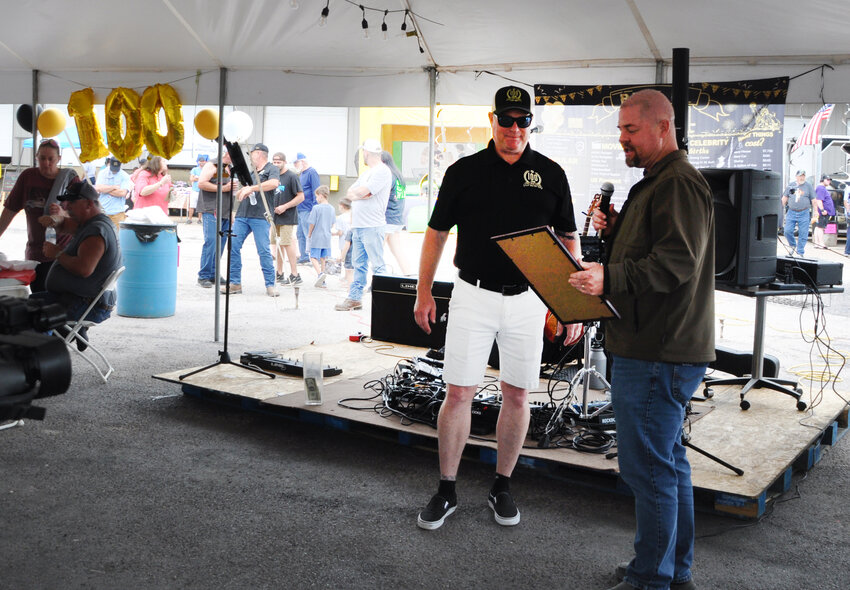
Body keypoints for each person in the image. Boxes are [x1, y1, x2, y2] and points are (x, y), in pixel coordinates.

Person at [412, 86, 582, 530]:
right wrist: (423, 291)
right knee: (459, 392)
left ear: (530, 123)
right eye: (506, 120)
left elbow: (568, 240)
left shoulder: (550, 173)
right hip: (472, 293)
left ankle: (501, 484)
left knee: (519, 393)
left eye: (522, 121)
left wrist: (572, 305)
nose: (513, 129)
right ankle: (447, 489)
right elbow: (435, 234)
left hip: (528, 299)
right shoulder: (464, 171)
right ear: (492, 120)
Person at [569, 89, 714, 590]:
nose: (622, 139)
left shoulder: (677, 184)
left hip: (657, 351)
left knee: (649, 471)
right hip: (653, 348)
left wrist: (608, 277)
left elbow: (675, 263)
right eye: (620, 131)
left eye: (631, 130)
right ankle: (672, 573)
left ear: (662, 127)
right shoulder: (657, 183)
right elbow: (652, 248)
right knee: (668, 466)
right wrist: (614, 231)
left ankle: (650, 578)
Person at [32, 181, 121, 349]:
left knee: (32, 316)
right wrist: (54, 220)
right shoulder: (90, 222)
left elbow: (84, 269)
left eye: (72, 202)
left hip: (86, 304)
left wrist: (58, 253)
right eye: (66, 201)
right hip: (80, 298)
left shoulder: (96, 231)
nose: (67, 206)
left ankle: (42, 358)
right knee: (25, 304)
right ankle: (75, 330)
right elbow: (64, 223)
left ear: (88, 203)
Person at [0, 138, 77, 292]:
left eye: (51, 159)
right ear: (36, 157)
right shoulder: (28, 177)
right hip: (36, 253)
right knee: (39, 299)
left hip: (63, 253)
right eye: (42, 158)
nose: (46, 163)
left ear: (59, 159)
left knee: (57, 302)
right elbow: (10, 210)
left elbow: (83, 215)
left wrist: (63, 213)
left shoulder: (70, 180)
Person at [334, 139, 392, 311]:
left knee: (377, 264)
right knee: (359, 264)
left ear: (366, 153)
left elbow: (361, 191)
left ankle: (384, 300)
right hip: (360, 226)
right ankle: (355, 298)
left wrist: (360, 194)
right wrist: (361, 194)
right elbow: (352, 192)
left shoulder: (382, 171)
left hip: (372, 226)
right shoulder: (369, 173)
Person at [221, 143, 280, 297]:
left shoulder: (271, 169)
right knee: (232, 245)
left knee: (263, 250)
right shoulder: (251, 172)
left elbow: (274, 183)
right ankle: (235, 283)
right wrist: (242, 190)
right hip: (243, 215)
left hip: (260, 216)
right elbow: (247, 189)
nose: (250, 157)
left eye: (251, 154)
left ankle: (270, 284)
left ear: (259, 154)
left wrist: (251, 188)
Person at [196, 151, 233, 288]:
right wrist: (223, 188)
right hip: (211, 210)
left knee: (221, 243)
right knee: (211, 241)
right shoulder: (212, 165)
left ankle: (213, 273)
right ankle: (204, 275)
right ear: (226, 153)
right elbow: (201, 183)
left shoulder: (228, 167)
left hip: (225, 211)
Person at [271, 152, 304, 286]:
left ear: (284, 162)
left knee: (287, 243)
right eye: (274, 162)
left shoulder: (291, 176)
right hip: (274, 217)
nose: (276, 164)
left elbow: (301, 197)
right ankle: (279, 273)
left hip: (287, 217)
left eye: (279, 162)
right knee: (278, 245)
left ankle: (295, 274)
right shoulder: (273, 177)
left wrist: (285, 206)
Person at [380, 150, 412, 276]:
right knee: (397, 250)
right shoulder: (399, 176)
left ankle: (378, 278)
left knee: (376, 252)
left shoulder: (389, 176)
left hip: (387, 219)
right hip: (397, 218)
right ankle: (409, 274)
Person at [293, 152, 320, 264]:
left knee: (307, 233)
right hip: (300, 208)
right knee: (300, 234)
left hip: (308, 208)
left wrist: (315, 208)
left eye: (296, 163)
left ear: (302, 161)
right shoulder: (302, 174)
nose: (294, 165)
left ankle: (313, 257)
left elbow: (316, 190)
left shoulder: (311, 172)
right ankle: (304, 257)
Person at [782, 170, 815, 257]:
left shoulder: (808, 186)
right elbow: (784, 198)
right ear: (796, 176)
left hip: (804, 212)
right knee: (787, 231)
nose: (802, 177)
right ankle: (792, 245)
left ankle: (800, 252)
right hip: (791, 211)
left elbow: (814, 200)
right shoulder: (791, 185)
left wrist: (815, 213)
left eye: (803, 176)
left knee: (803, 233)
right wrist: (779, 209)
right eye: (800, 176)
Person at [94, 157, 133, 230]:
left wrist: (105, 189)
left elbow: (122, 193)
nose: (114, 171)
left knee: (117, 237)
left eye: (116, 169)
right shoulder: (102, 173)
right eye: (113, 168)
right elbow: (98, 188)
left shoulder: (125, 176)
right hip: (103, 211)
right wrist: (114, 187)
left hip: (118, 212)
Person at [307, 185, 335, 288]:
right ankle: (323, 281)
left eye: (316, 196)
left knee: (313, 257)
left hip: (317, 236)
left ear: (321, 196)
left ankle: (320, 274)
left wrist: (309, 233)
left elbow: (312, 223)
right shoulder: (332, 208)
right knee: (323, 258)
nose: (316, 199)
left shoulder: (316, 208)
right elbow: (332, 224)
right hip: (327, 237)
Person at [332, 197, 354, 286]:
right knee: (351, 259)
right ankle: (348, 277)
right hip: (354, 241)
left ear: (342, 206)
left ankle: (346, 278)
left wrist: (333, 234)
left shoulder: (340, 218)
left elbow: (340, 232)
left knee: (344, 259)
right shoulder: (353, 215)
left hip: (344, 241)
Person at [813, 174, 835, 248]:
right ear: (823, 180)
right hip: (823, 212)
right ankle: (821, 243)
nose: (829, 181)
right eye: (827, 180)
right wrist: (822, 210)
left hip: (823, 211)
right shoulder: (821, 188)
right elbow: (819, 200)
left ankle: (817, 243)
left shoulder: (822, 188)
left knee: (818, 227)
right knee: (820, 227)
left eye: (829, 180)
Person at [187, 154, 209, 224]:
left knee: (201, 206)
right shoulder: (194, 169)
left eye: (203, 161)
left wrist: (197, 178)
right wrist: (199, 178)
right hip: (195, 190)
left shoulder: (207, 170)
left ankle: (199, 219)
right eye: (200, 161)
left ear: (205, 162)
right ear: (198, 162)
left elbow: (207, 179)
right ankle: (189, 219)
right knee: (192, 205)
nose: (202, 162)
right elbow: (191, 179)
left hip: (202, 190)